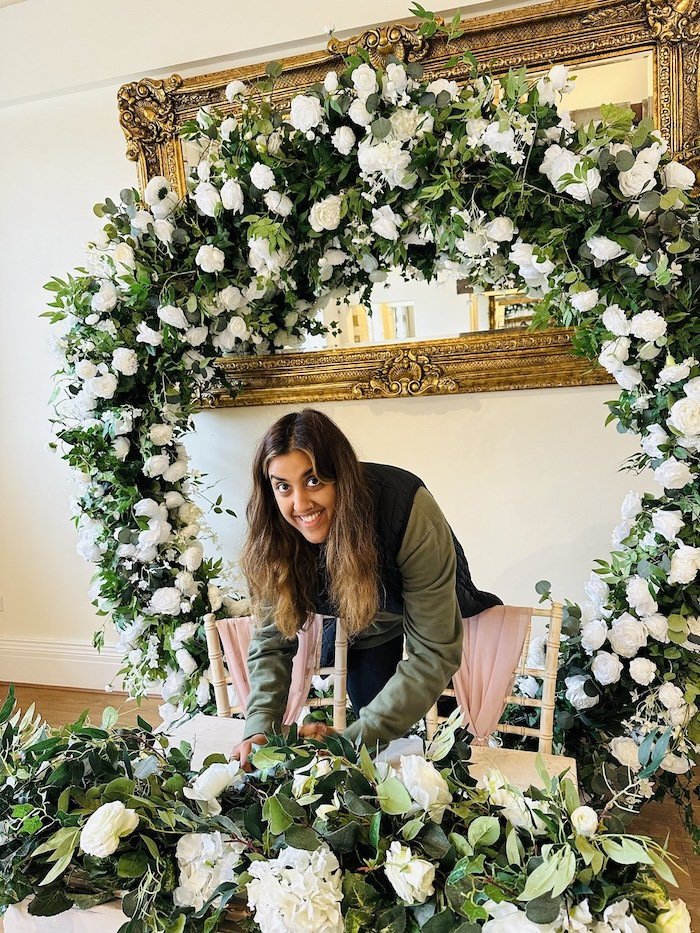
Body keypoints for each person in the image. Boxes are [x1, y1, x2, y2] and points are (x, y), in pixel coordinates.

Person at [230, 409, 501, 766]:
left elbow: (434, 651)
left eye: (313, 481)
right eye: (283, 486)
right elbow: (271, 641)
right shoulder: (272, 533)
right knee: (374, 747)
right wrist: (259, 727)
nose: (300, 504)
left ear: (341, 475)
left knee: (441, 737)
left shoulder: (406, 509)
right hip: (367, 625)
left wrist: (348, 742)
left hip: (432, 613)